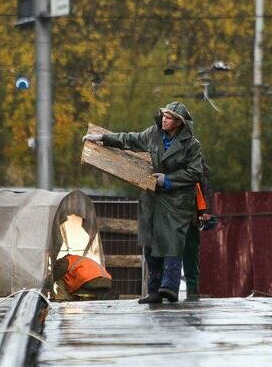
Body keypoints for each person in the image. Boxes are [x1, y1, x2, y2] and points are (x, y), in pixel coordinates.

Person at [83, 102, 203, 304]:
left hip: (177, 200)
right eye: (163, 115)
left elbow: (196, 172)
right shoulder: (153, 134)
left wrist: (169, 179)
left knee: (172, 241)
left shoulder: (191, 145)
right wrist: (103, 138)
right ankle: (154, 290)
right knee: (150, 242)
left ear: (179, 123)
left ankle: (169, 288)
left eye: (169, 117)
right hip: (152, 197)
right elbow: (129, 139)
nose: (164, 119)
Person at [182, 159, 217, 302]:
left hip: (190, 217)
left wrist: (205, 211)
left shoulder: (194, 152)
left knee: (190, 257)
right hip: (172, 215)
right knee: (168, 257)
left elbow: (203, 182)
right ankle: (166, 292)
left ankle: (192, 292)